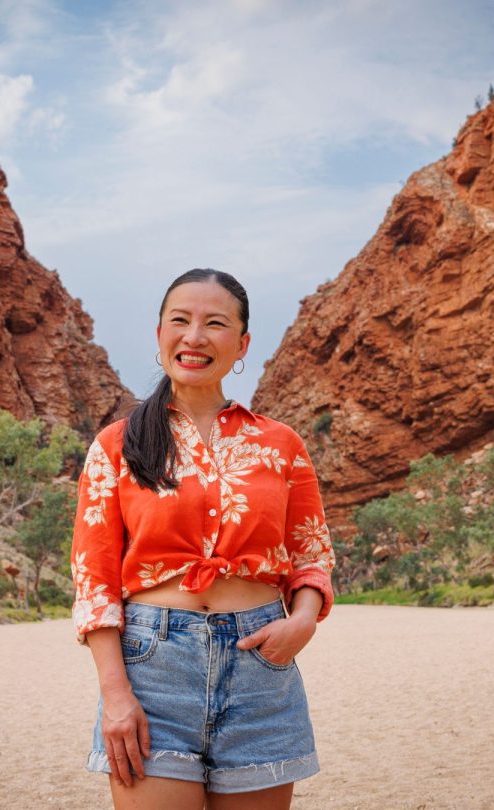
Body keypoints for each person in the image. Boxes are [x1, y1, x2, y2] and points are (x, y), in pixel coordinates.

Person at [71, 268, 335, 809]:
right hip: (152, 671)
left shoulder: (281, 444)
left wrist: (303, 621)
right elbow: (94, 582)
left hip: (262, 666)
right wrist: (116, 695)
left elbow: (311, 553)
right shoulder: (117, 445)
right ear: (160, 333)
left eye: (214, 323)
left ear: (241, 344)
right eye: (180, 320)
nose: (194, 337)